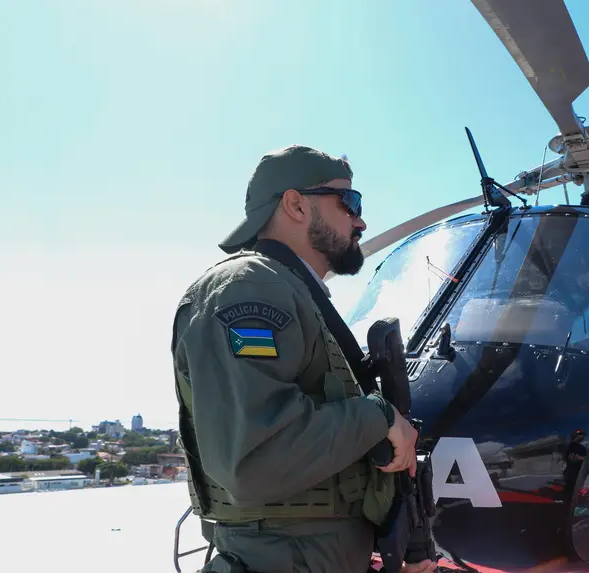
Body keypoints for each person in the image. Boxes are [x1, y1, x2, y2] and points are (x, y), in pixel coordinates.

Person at [170, 144, 437, 573]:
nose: (361, 221)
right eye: (349, 202)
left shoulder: (290, 290)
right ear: (295, 205)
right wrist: (380, 418)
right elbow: (256, 458)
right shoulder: (249, 288)